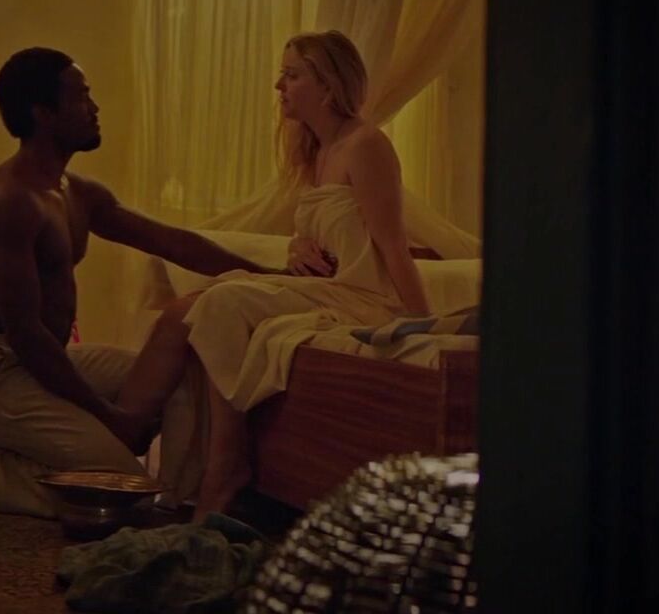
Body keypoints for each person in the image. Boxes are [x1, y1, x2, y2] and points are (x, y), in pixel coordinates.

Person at [0, 47, 282, 517]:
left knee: (178, 377)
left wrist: (271, 277)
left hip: (40, 359)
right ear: (43, 113)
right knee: (120, 490)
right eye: (81, 97)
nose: (94, 108)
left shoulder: (77, 192)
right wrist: (108, 416)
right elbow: (25, 334)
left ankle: (178, 497)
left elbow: (171, 242)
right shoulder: (9, 201)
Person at [110, 30, 432, 520]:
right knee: (218, 295)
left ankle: (225, 464)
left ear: (327, 85)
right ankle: (199, 464)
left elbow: (391, 244)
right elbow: (332, 229)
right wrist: (300, 245)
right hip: (333, 289)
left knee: (224, 300)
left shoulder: (367, 145)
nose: (279, 85)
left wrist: (421, 323)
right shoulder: (320, 152)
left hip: (366, 296)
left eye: (292, 75)